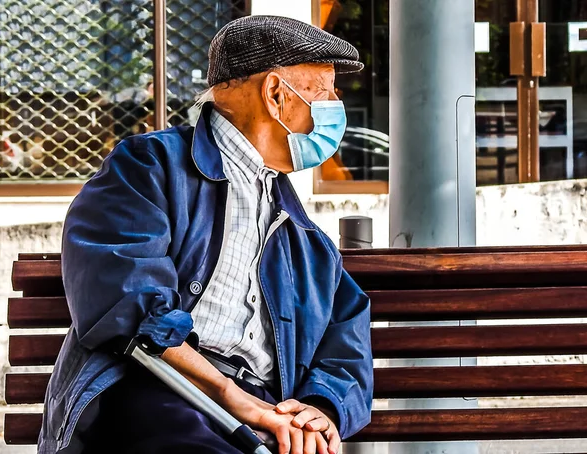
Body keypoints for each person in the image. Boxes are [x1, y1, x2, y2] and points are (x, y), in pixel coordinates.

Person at [38, 15, 373, 454]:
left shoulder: (301, 233)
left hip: (262, 408)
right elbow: (127, 302)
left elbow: (346, 330)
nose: (333, 104)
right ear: (275, 94)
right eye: (322, 89)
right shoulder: (148, 167)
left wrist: (320, 407)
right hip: (159, 389)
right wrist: (229, 396)